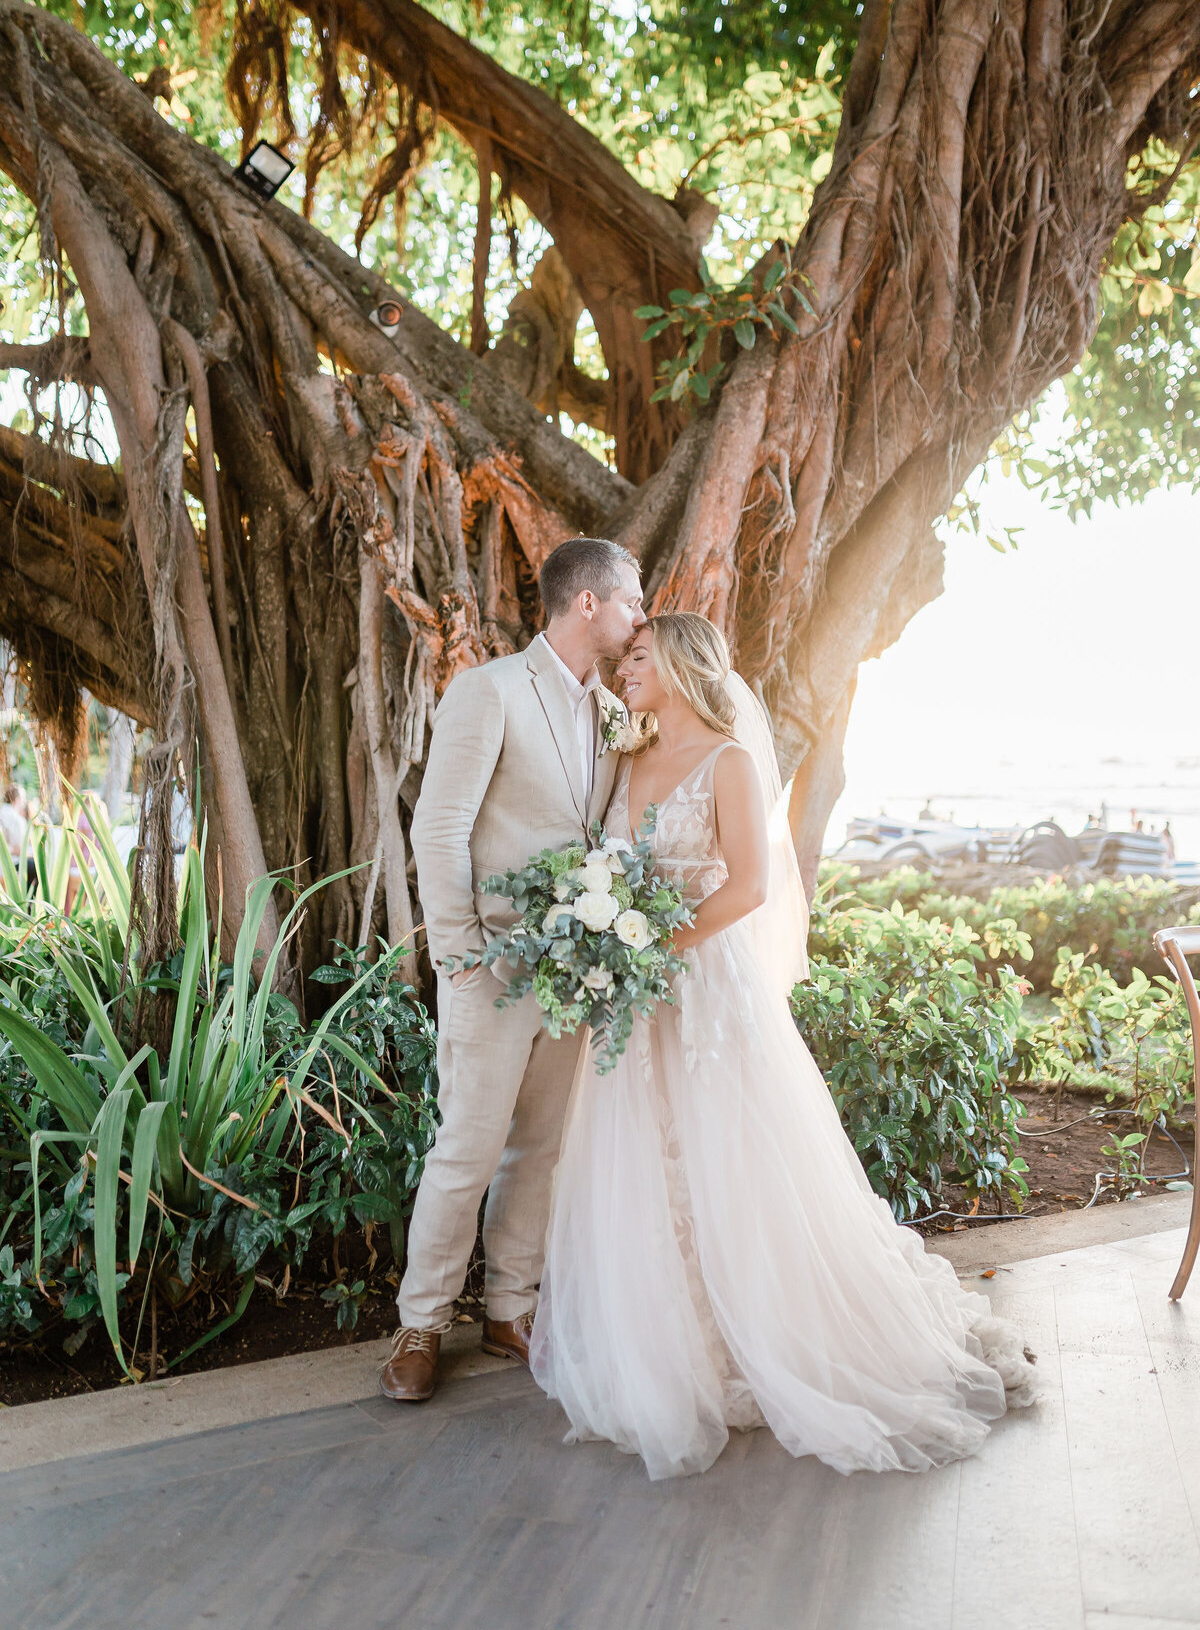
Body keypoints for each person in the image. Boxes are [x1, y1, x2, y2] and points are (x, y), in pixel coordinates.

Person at [530, 614, 1036, 1480]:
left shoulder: (727, 761)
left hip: (704, 987)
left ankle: (771, 1332)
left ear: (684, 667)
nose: (625, 674)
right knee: (648, 1160)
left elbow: (752, 887)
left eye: (640, 659)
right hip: (636, 998)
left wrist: (654, 942)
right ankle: (675, 1343)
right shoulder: (625, 759)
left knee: (733, 1157)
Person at [379, 537, 646, 1404]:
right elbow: (438, 828)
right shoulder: (487, 691)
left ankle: (508, 1308)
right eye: (631, 601)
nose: (640, 618)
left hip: (571, 972)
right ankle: (420, 1323)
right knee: (466, 1149)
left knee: (541, 1148)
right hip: (488, 970)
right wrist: (456, 957)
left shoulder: (614, 714)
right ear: (586, 604)